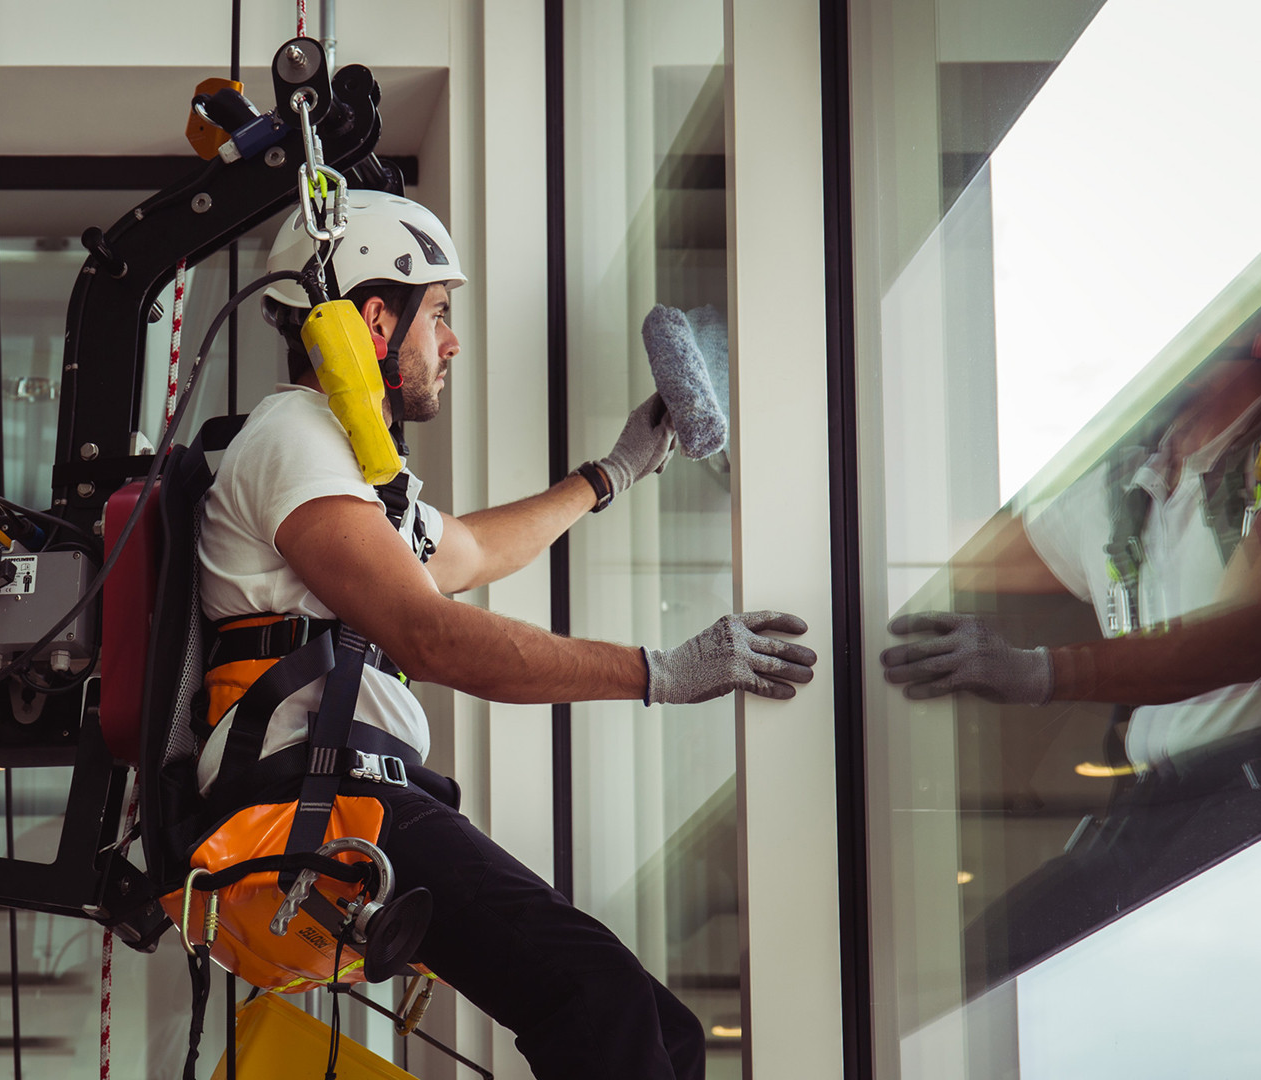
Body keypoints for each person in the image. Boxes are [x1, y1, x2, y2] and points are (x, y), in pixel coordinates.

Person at [192, 191, 818, 1080]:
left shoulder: (343, 461)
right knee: (601, 1009)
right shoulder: (294, 438)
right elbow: (431, 637)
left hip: (362, 799)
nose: (450, 341)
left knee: (658, 1032)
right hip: (328, 806)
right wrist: (661, 672)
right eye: (439, 313)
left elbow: (471, 549)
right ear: (376, 317)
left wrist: (612, 473)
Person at [881, 331, 1261, 985]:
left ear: (1251, 336)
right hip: (1161, 805)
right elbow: (953, 550)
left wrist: (1041, 671)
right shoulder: (1124, 486)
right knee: (984, 967)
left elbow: (1246, 636)